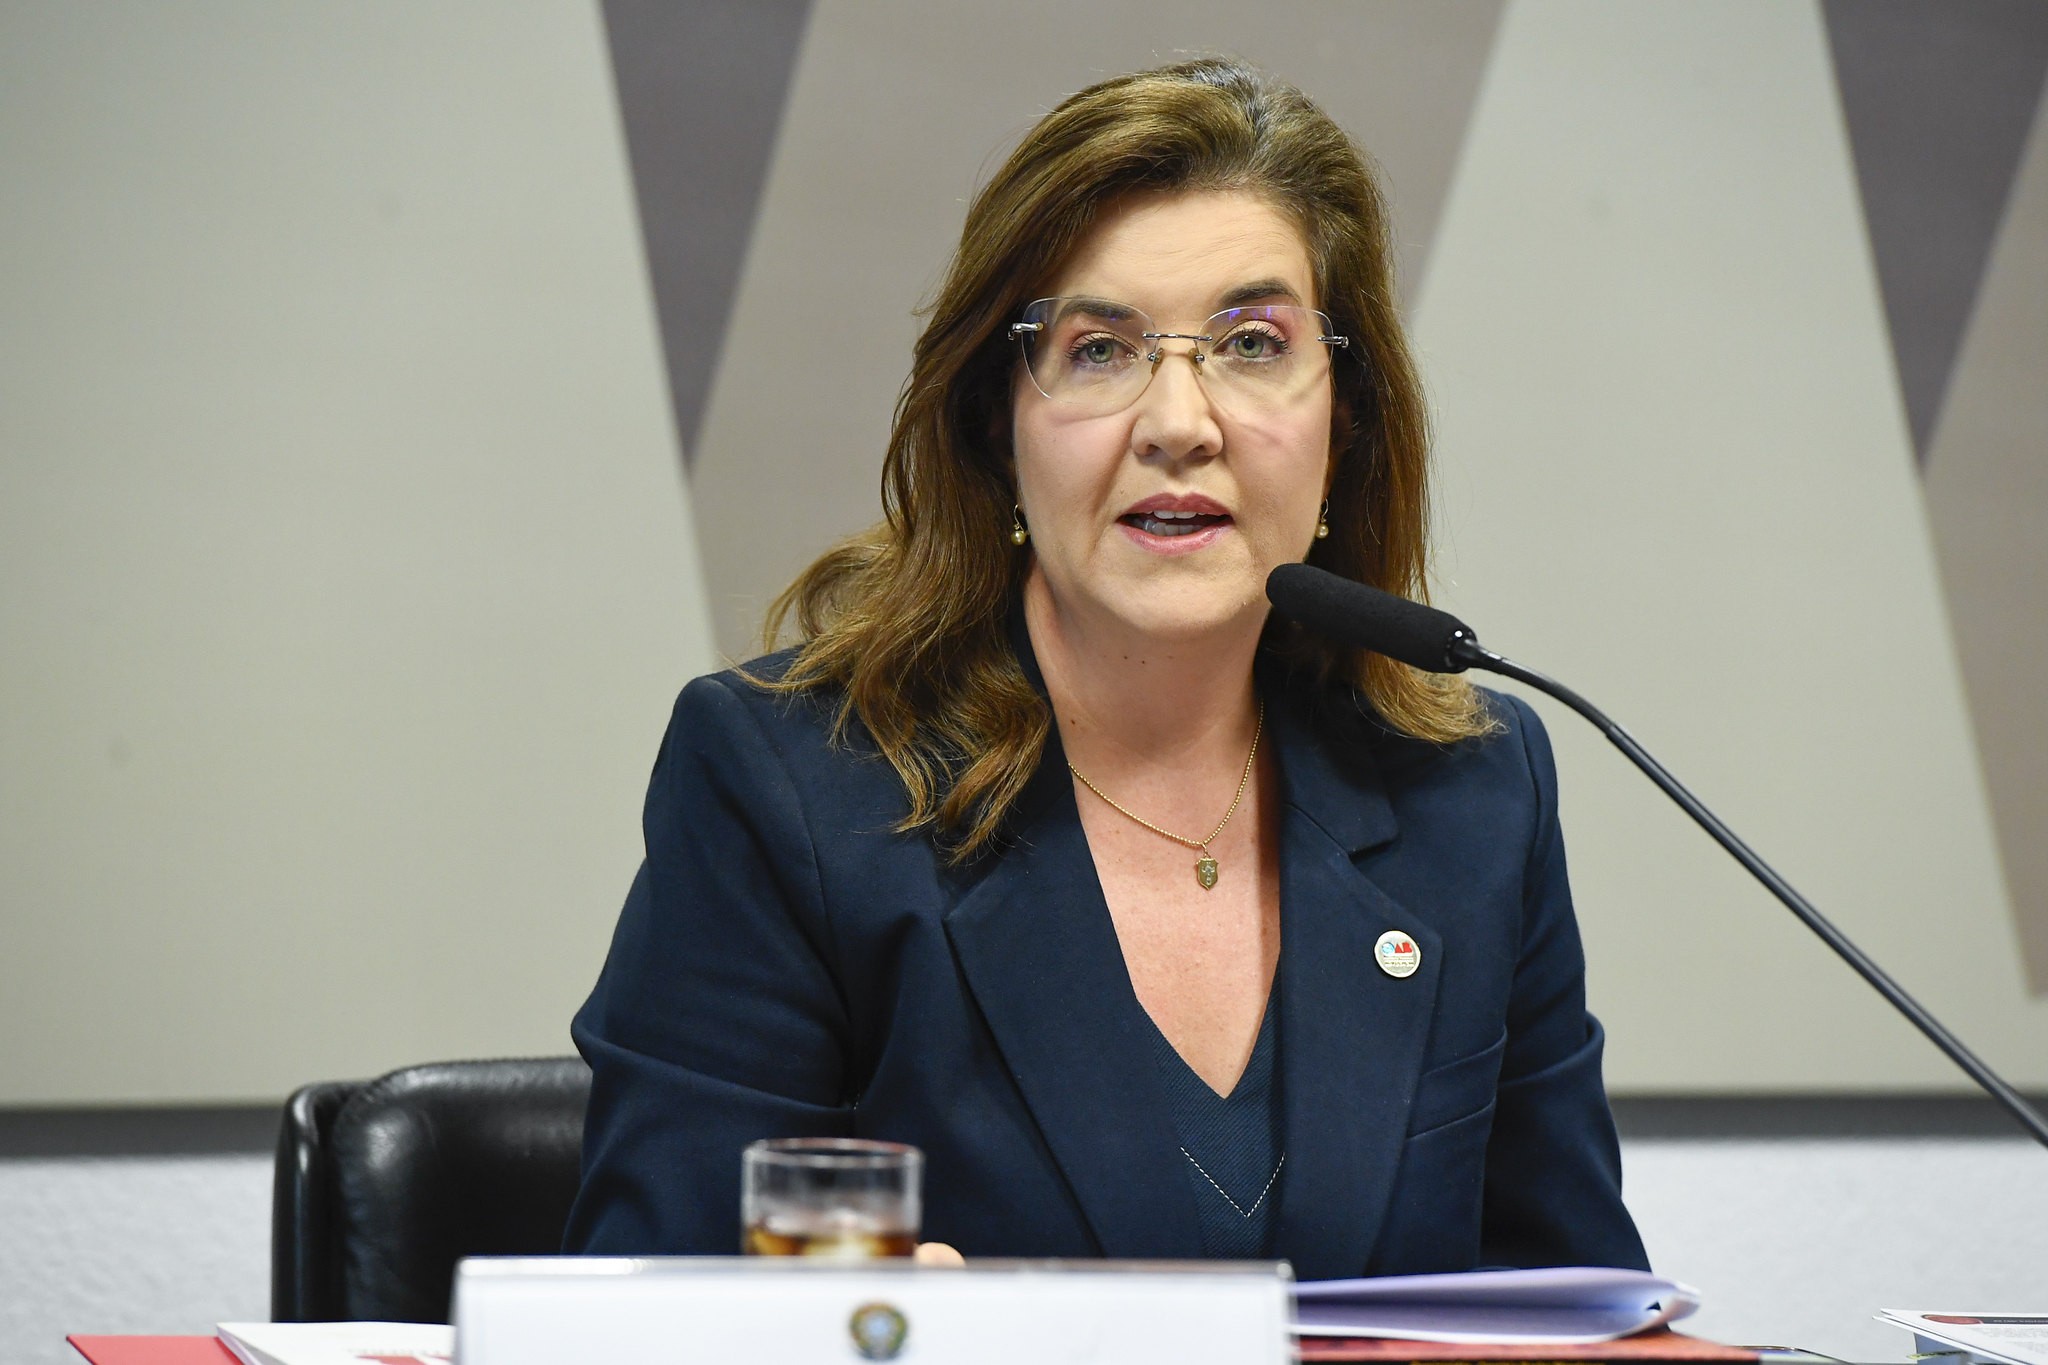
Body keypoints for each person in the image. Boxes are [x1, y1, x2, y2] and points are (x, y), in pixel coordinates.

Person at [564, 57, 1648, 1278]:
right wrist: (857, 1338)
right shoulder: (787, 789)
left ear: (1345, 422)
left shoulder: (1473, 795)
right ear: (997, 424)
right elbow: (644, 1306)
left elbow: (1580, 1307)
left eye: (1251, 343)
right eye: (1097, 350)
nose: (1178, 424)